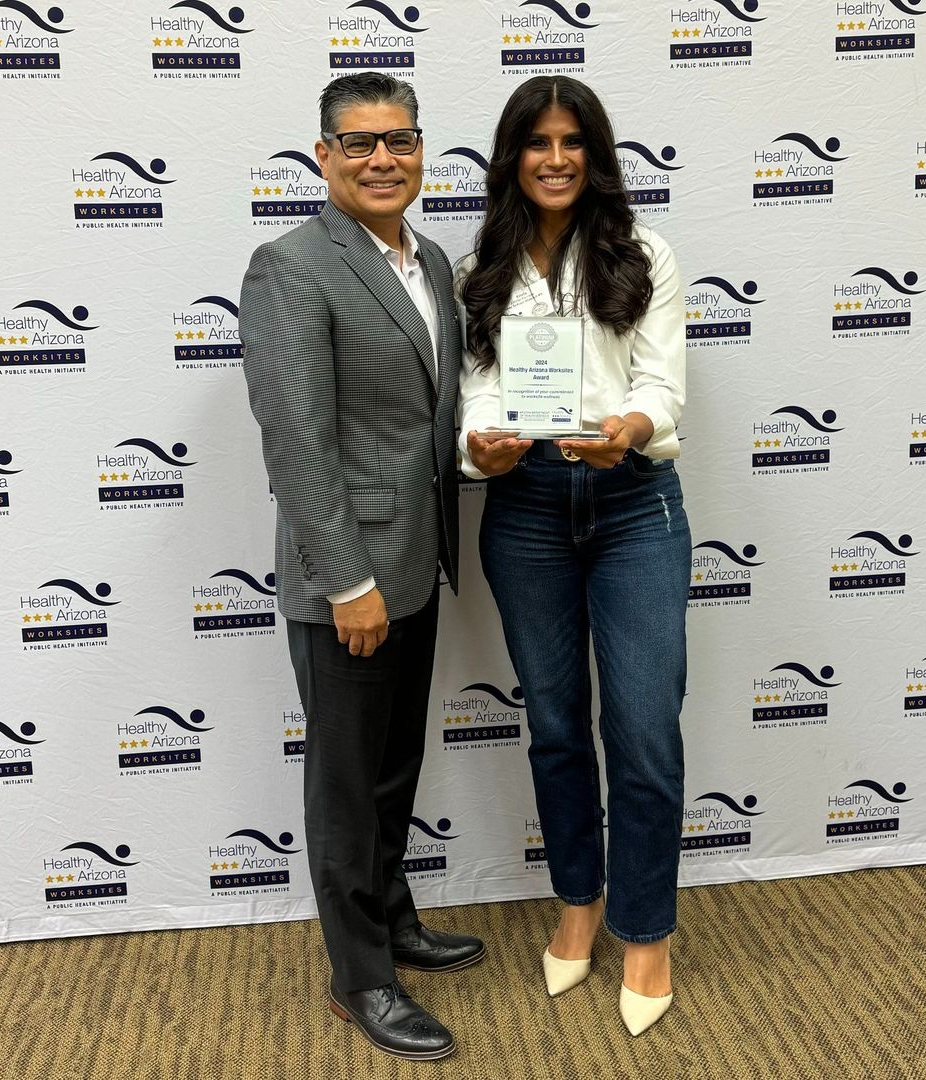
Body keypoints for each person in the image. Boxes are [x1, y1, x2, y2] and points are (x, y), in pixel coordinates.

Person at [239, 72, 483, 1062]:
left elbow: (424, 413)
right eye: (359, 143)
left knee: (390, 767)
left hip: (416, 560)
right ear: (323, 156)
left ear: (422, 151)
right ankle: (359, 977)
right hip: (350, 581)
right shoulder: (289, 266)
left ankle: (389, 914)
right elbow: (296, 442)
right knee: (344, 784)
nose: (383, 159)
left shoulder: (425, 257)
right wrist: (346, 581)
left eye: (401, 141)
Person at [457, 76, 690, 1037]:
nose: (556, 158)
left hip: (635, 504)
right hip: (525, 509)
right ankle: (578, 905)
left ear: (595, 153)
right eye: (536, 142)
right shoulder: (484, 262)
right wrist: (482, 443)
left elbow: (664, 389)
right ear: (513, 156)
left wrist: (630, 427)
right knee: (555, 723)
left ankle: (646, 932)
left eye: (573, 141)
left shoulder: (645, 253)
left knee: (642, 729)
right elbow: (476, 391)